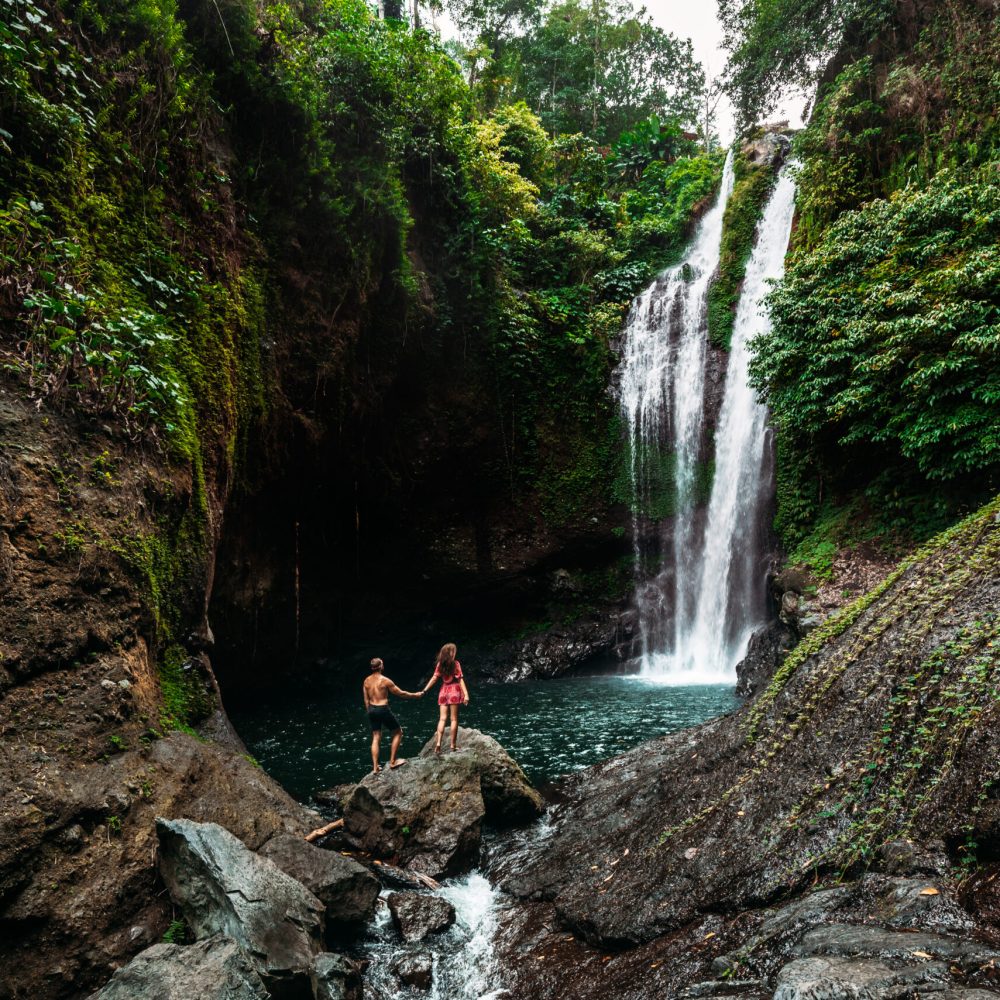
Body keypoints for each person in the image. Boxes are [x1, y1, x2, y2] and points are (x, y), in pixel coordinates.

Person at [363, 657, 422, 773]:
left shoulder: (366, 681)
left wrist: (369, 711)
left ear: (372, 668)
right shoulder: (385, 681)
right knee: (398, 732)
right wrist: (415, 695)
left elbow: (366, 699)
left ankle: (375, 768)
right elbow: (401, 693)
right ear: (381, 666)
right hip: (382, 709)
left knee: (376, 737)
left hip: (371, 709)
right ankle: (393, 762)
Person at [421, 642, 469, 753]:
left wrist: (425, 690)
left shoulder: (440, 664)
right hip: (454, 691)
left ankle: (438, 744)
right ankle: (453, 745)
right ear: (451, 653)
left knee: (442, 718)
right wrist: (466, 694)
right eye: (454, 651)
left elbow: (434, 678)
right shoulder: (455, 664)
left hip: (443, 691)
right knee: (454, 719)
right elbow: (460, 679)